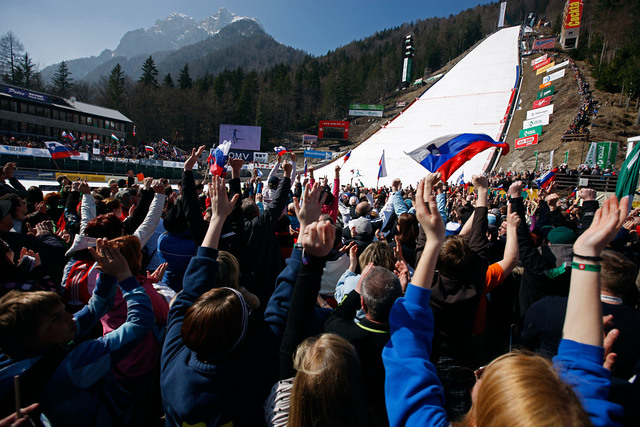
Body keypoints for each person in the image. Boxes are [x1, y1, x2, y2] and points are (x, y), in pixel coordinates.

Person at [382, 173, 625, 427]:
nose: (481, 373)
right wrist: (585, 255)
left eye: (485, 379)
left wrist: (432, 240)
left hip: (439, 351)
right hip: (464, 346)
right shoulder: (479, 279)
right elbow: (580, 387)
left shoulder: (439, 282)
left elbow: (407, 340)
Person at [0, 238, 154, 426]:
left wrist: (107, 274)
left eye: (63, 311)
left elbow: (95, 308)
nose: (69, 317)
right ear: (29, 335)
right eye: (56, 318)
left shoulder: (42, 344)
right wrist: (126, 277)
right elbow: (140, 324)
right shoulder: (73, 365)